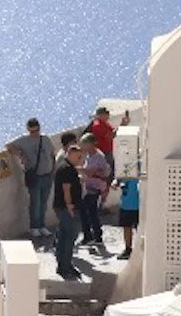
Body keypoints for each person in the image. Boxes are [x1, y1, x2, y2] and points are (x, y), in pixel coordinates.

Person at [10, 118, 55, 245]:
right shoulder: (24, 140)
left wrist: (53, 169)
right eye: (32, 131)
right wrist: (21, 156)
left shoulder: (45, 139)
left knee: (44, 202)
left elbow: (52, 154)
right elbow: (9, 146)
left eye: (36, 130)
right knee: (35, 202)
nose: (34, 133)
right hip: (35, 176)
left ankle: (42, 225)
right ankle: (34, 227)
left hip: (47, 175)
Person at [52, 141, 86, 280]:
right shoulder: (67, 169)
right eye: (78, 157)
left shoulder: (67, 168)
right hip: (66, 208)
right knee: (69, 237)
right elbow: (66, 189)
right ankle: (65, 266)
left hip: (63, 207)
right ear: (70, 155)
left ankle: (64, 265)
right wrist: (70, 206)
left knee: (64, 236)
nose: (80, 160)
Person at [77, 134, 111, 256]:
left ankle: (89, 235)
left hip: (95, 187)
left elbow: (102, 172)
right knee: (91, 212)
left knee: (84, 210)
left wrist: (82, 170)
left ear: (91, 144)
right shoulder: (89, 156)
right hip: (89, 186)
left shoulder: (98, 156)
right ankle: (97, 236)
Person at [114, 164, 141, 260]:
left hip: (139, 204)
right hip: (126, 203)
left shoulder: (141, 166)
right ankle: (128, 249)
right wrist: (115, 183)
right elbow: (118, 179)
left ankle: (140, 250)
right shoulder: (125, 165)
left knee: (139, 228)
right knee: (126, 227)